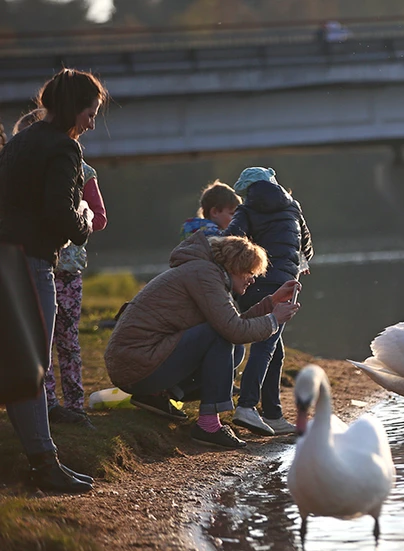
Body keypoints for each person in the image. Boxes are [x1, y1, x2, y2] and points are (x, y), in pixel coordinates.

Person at [0, 68, 107, 493]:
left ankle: (43, 460)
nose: (92, 123)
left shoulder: (21, 141)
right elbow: (60, 213)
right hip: (30, 264)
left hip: (7, 256)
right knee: (31, 368)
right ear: (73, 109)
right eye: (91, 112)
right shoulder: (64, 148)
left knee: (17, 363)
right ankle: (45, 465)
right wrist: (82, 219)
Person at [104, 233, 301, 449]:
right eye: (250, 272)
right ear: (235, 266)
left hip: (136, 364)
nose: (253, 279)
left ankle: (156, 395)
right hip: (136, 366)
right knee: (220, 337)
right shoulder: (204, 274)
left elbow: (232, 323)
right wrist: (274, 320)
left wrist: (271, 303)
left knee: (233, 349)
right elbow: (232, 330)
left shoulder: (205, 272)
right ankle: (208, 426)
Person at [13, 108, 108, 431]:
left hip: (68, 268)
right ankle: (48, 405)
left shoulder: (82, 170)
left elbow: (100, 216)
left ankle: (75, 404)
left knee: (67, 340)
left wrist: (80, 216)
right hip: (37, 263)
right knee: (40, 342)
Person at [225, 167, 313, 437]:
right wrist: (301, 263)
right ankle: (247, 406)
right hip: (283, 284)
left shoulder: (246, 209)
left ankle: (272, 413)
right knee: (266, 345)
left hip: (252, 282)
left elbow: (230, 240)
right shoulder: (292, 207)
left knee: (274, 349)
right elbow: (307, 245)